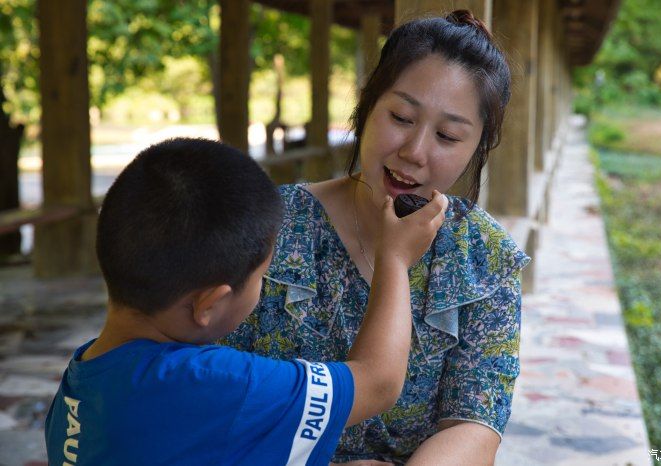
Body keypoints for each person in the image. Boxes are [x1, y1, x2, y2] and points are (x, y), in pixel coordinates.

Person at [221, 10, 530, 465]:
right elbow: (213, 396)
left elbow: (474, 424)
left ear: (478, 147)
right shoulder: (268, 224)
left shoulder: (483, 258)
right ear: (368, 105)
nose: (415, 151)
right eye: (402, 117)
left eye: (447, 135)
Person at [44, 137, 448, 465]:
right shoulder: (211, 382)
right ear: (208, 305)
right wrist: (395, 260)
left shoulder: (81, 384)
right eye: (260, 276)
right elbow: (378, 382)